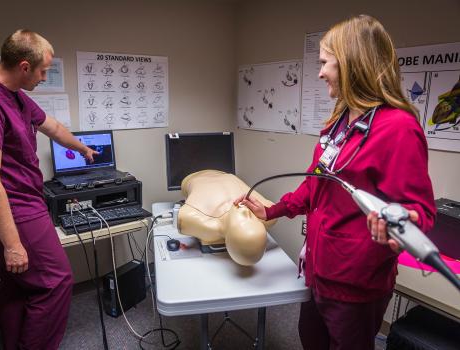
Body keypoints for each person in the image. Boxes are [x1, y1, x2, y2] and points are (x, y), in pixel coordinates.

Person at [235, 15, 436, 350]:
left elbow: (421, 211)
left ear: (352, 64)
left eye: (325, 62)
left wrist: (403, 223)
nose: (320, 72)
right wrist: (273, 210)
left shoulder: (398, 128)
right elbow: (316, 182)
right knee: (310, 339)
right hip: (318, 267)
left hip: (356, 284)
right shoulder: (340, 123)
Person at [0, 30, 98, 350]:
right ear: (24, 66)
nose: (46, 77)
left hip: (24, 202)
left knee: (19, 285)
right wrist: (13, 244)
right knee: (55, 283)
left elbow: (53, 127)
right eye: (44, 70)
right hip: (13, 209)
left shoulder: (14, 94)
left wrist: (82, 148)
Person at [178, 170, 276, 266]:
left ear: (228, 238)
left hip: (192, 178)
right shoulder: (268, 215)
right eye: (253, 218)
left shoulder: (203, 223)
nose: (246, 212)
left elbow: (183, 219)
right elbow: (275, 208)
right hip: (225, 174)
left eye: (243, 221)